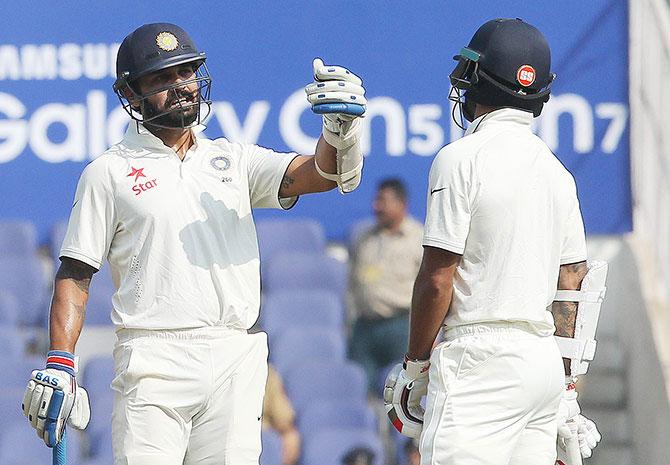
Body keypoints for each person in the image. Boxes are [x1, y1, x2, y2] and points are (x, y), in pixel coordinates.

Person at [21, 22, 366, 465]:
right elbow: (75, 272)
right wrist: (60, 362)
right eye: (161, 78)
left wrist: (341, 132)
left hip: (234, 357)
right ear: (131, 96)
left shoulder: (233, 159)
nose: (180, 86)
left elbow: (322, 172)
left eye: (185, 73)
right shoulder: (108, 173)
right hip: (152, 359)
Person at [383, 18, 601, 465]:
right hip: (540, 364)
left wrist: (416, 366)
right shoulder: (558, 173)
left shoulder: (459, 159)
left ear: (477, 80)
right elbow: (574, 281)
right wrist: (566, 388)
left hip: (478, 362)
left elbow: (438, 278)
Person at [348, 178, 423, 392]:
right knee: (358, 388)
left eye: (383, 201)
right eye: (376, 200)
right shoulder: (364, 238)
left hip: (401, 325)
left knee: (402, 390)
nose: (376, 206)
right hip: (365, 326)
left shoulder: (418, 238)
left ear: (401, 204)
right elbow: (352, 281)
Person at [262, 364, 301, 465]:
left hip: (262, 438)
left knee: (291, 438)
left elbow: (284, 420)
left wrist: (289, 434)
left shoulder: (266, 371)